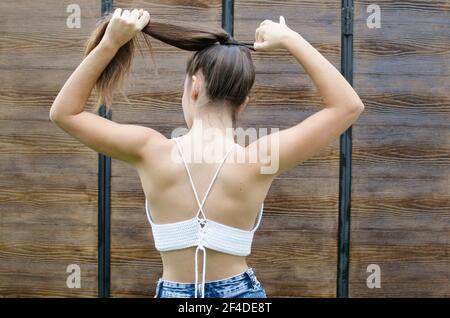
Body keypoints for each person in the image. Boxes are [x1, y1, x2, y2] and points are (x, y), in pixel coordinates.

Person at [49, 8, 364, 298]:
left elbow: (64, 114)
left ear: (194, 86)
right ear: (243, 103)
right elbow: (347, 105)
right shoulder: (260, 158)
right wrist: (292, 40)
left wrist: (110, 44)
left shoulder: (149, 150)